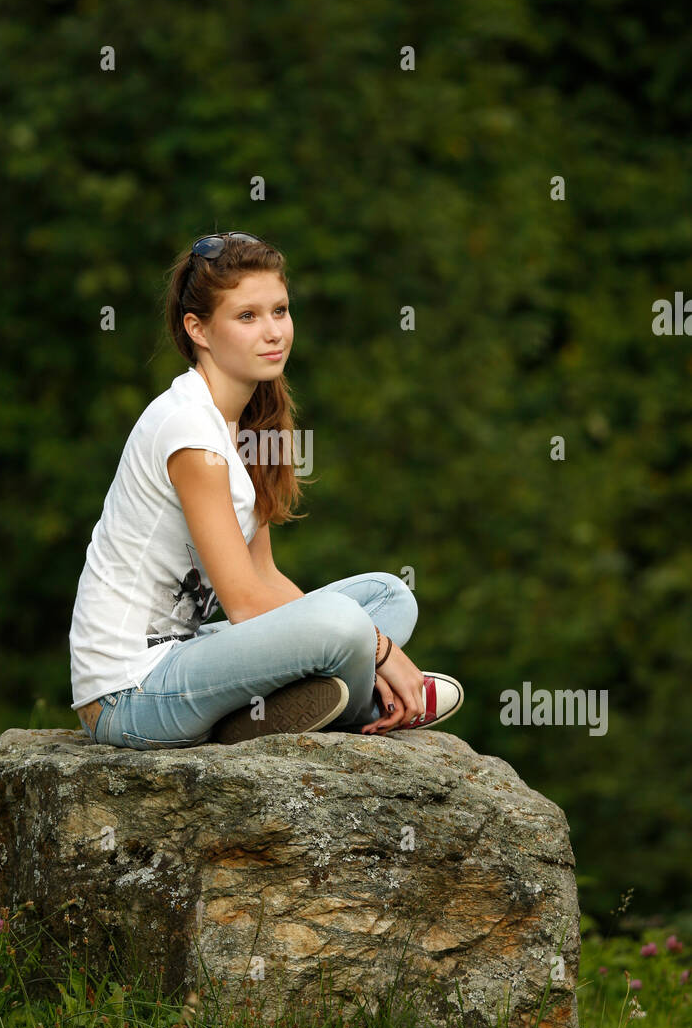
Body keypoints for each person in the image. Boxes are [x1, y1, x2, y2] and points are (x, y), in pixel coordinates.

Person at [69, 231, 463, 750]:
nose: (273, 332)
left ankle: (275, 707)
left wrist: (345, 635)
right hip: (129, 693)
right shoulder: (189, 431)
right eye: (247, 317)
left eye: (279, 310)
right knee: (348, 625)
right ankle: (359, 702)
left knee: (389, 596)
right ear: (199, 329)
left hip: (188, 653)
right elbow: (246, 604)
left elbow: (263, 575)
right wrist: (376, 649)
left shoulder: (251, 427)